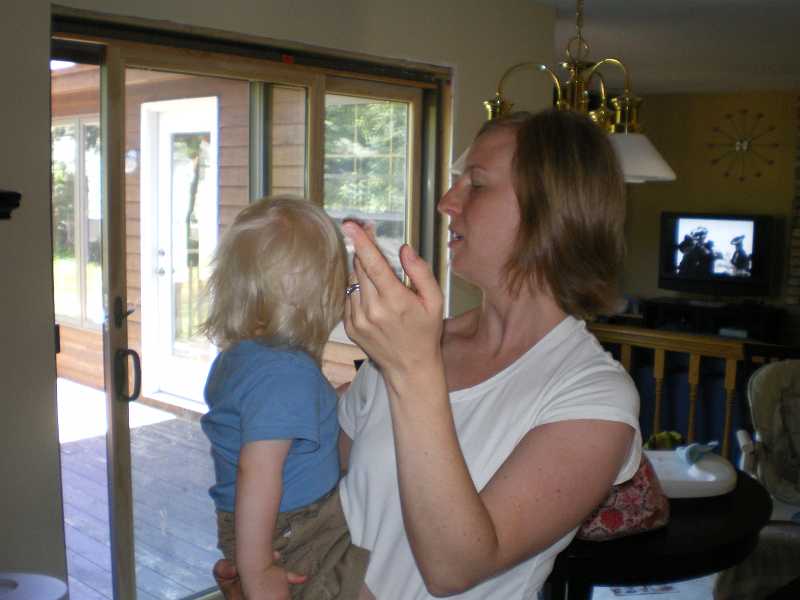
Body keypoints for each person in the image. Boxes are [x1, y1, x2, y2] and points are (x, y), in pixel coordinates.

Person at [215, 109, 642, 599]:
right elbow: (318, 476)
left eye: (476, 184)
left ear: (551, 210)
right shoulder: (411, 344)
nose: (446, 202)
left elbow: (454, 568)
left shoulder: (595, 396)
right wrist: (261, 565)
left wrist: (412, 369)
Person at [200, 196, 370, 600]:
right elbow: (258, 470)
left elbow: (272, 427)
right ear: (319, 296)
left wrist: (330, 402)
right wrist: (258, 571)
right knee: (371, 579)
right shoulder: (286, 373)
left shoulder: (243, 358)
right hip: (290, 526)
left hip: (267, 524)